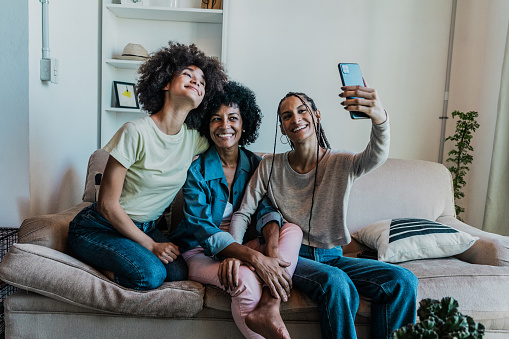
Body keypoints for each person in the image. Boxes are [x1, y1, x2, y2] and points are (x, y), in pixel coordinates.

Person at [229, 86, 419, 339]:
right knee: (336, 283)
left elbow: (377, 155)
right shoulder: (269, 165)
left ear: (317, 116)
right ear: (283, 128)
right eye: (287, 116)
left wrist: (379, 118)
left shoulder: (342, 162)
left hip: (333, 255)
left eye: (301, 111)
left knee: (403, 281)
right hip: (292, 257)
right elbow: (244, 213)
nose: (295, 119)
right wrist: (232, 250)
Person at [67, 42, 227, 290]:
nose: (197, 82)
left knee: (177, 273)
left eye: (203, 81)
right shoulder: (135, 132)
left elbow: (227, 136)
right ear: (164, 83)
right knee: (150, 275)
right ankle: (94, 263)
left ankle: (120, 258)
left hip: (146, 226)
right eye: (188, 74)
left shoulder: (194, 139)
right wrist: (151, 246)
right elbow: (108, 205)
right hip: (101, 227)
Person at [169, 81, 303, 339]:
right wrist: (248, 257)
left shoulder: (257, 164)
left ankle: (268, 308)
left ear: (245, 123)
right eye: (216, 119)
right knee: (245, 282)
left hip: (242, 244)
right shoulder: (195, 170)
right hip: (198, 251)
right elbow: (201, 228)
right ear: (207, 126)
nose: (224, 126)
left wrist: (271, 251)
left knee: (293, 231)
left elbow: (268, 210)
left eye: (232, 118)